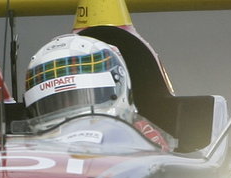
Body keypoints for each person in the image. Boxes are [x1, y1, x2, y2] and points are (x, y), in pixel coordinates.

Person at [23, 34, 175, 149]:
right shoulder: (25, 154)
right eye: (55, 103)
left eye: (83, 97)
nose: (70, 114)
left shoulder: (147, 140)